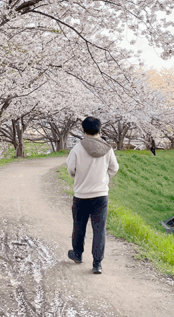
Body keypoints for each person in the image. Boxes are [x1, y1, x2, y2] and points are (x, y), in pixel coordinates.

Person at [66, 116, 119, 274]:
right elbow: (114, 168)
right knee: (99, 229)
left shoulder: (77, 148)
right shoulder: (108, 149)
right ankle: (97, 263)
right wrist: (103, 178)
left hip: (82, 195)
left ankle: (77, 254)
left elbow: (71, 170)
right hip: (101, 195)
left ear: (84, 130)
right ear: (99, 129)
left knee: (79, 226)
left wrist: (82, 177)